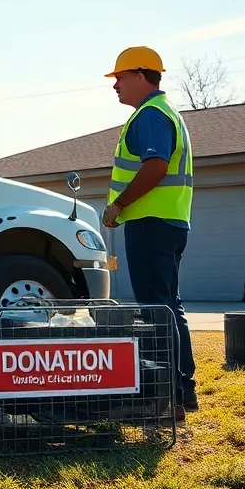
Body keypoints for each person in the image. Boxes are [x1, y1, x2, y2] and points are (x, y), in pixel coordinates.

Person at [102, 46, 196, 419]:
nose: (115, 87)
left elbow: (155, 166)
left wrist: (119, 205)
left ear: (142, 75)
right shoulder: (165, 112)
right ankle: (182, 391)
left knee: (156, 310)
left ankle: (165, 400)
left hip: (150, 224)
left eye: (119, 78)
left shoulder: (151, 115)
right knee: (169, 306)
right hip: (170, 222)